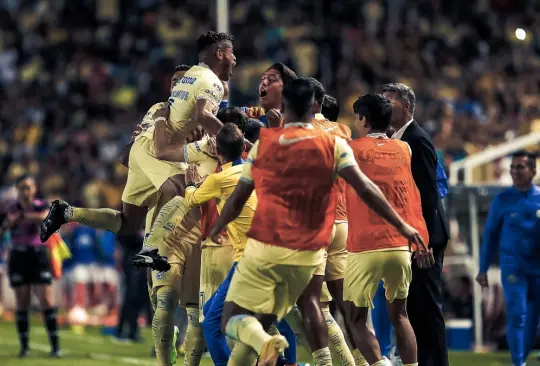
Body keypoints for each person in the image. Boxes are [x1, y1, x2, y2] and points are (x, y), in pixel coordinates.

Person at [207, 78, 426, 366]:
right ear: (314, 106)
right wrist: (403, 225)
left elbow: (237, 199)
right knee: (289, 313)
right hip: (311, 250)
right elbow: (366, 189)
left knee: (228, 320)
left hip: (268, 247)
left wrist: (218, 226)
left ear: (283, 107)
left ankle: (267, 342)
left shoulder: (266, 146)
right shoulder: (336, 144)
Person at [40, 31, 236, 271]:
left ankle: (68, 212)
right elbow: (133, 152)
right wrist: (168, 130)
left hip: (152, 161)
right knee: (184, 190)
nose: (177, 87)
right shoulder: (161, 108)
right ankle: (151, 249)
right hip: (153, 155)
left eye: (181, 81)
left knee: (127, 223)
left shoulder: (192, 109)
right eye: (174, 82)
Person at [345, 93, 433, 366]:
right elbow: (412, 196)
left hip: (364, 244)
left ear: (363, 120)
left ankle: (380, 364)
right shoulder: (403, 149)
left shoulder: (350, 149)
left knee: (355, 318)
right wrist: (421, 241)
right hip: (400, 244)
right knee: (401, 316)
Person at [285, 77, 354, 366]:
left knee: (312, 304)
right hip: (343, 222)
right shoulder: (342, 129)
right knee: (348, 306)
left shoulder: (301, 132)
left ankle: (325, 362)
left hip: (314, 225)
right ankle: (361, 362)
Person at [382, 83, 450, 366]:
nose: (385, 107)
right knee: (415, 307)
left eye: (390, 102)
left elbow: (428, 193)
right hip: (415, 235)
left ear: (407, 107)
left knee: (426, 307)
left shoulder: (416, 139)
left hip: (425, 238)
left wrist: (422, 239)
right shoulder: (398, 138)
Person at [476, 150, 540, 366]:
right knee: (517, 314)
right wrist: (483, 268)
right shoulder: (502, 200)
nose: (514, 171)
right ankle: (518, 362)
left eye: (520, 167)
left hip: (538, 269)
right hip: (513, 268)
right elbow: (490, 235)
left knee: (533, 319)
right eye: (512, 167)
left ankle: (523, 355)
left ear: (532, 171)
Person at [2, 175, 60, 357]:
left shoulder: (41, 205)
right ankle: (24, 348)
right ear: (17, 189)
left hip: (38, 254)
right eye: (22, 187)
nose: (25, 191)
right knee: (22, 301)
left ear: (34, 189)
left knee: (46, 300)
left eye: (29, 187)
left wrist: (22, 217)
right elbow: (4, 226)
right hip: (18, 254)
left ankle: (55, 347)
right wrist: (8, 223)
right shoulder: (9, 207)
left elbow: (45, 217)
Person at [242, 62, 297, 128]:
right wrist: (225, 100)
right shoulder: (256, 113)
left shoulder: (298, 123)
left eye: (271, 80)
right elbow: (230, 114)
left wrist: (276, 129)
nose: (263, 83)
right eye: (262, 79)